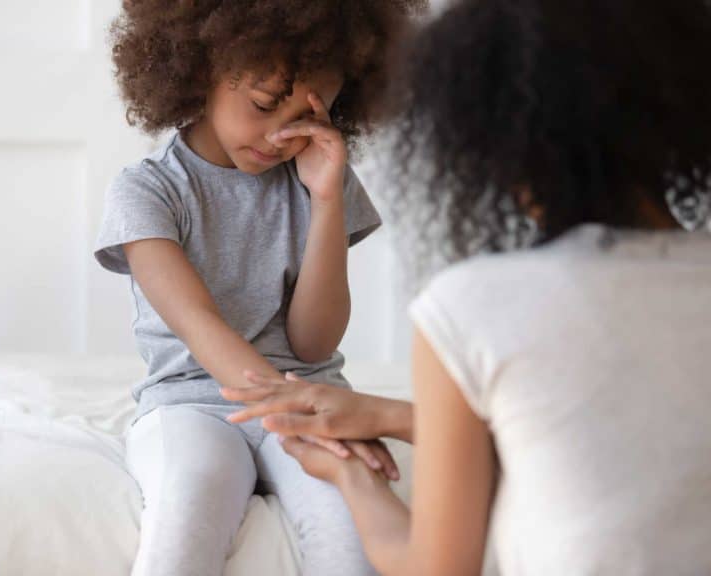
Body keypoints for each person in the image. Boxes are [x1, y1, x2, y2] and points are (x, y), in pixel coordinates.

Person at [225, 0, 711, 574]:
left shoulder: (474, 305)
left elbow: (437, 567)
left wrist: (350, 476)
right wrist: (385, 415)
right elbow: (608, 430)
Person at [93, 2, 419, 575]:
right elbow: (198, 324)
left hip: (309, 393)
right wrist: (290, 405)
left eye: (309, 117)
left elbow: (314, 344)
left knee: (353, 543)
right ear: (200, 69)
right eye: (266, 104)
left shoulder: (318, 177)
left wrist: (325, 198)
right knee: (181, 527)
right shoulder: (147, 192)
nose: (280, 135)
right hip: (190, 403)